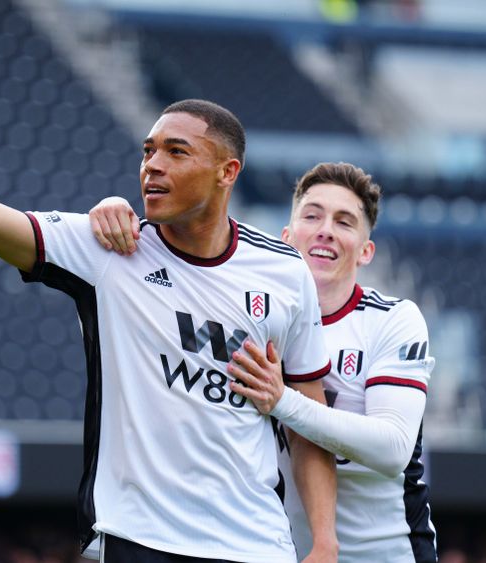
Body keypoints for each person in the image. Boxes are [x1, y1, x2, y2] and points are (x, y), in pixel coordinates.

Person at [0, 14, 340, 563]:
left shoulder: (284, 272)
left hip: (255, 547)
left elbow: (310, 421)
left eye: (176, 152)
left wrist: (323, 541)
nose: (152, 165)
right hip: (137, 542)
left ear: (228, 172)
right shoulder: (106, 249)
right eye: (148, 150)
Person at [90, 162, 438, 562]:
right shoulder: (247, 316)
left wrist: (284, 401)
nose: (325, 229)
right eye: (312, 215)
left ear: (366, 251)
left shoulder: (392, 320)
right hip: (279, 550)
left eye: (344, 222)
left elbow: (394, 448)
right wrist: (113, 208)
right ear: (287, 238)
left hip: (387, 555)